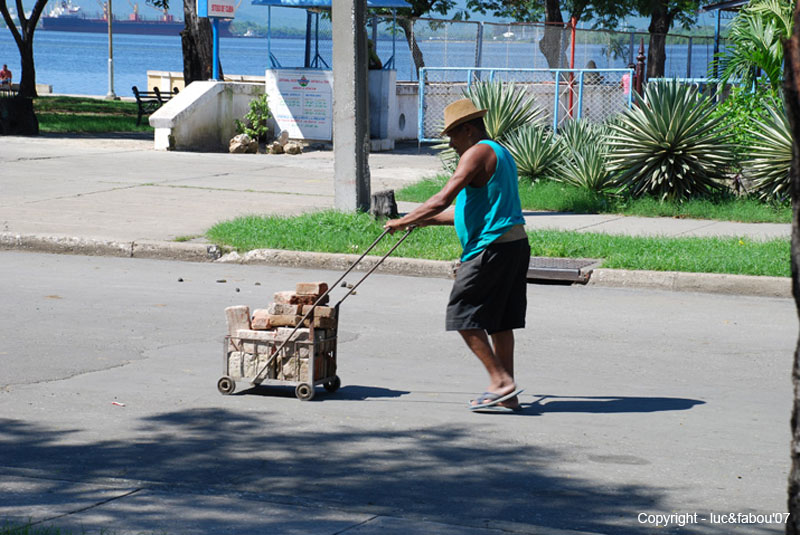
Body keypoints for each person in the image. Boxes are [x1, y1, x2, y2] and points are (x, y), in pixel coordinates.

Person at [384, 99, 529, 412]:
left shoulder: (476, 153)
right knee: (501, 322)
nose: (450, 143)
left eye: (452, 135)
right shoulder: (499, 152)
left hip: (490, 248)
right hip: (514, 244)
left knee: (462, 312)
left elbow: (441, 198)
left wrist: (403, 219)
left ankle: (500, 381)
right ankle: (509, 392)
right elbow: (463, 211)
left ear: (467, 130)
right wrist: (421, 221)